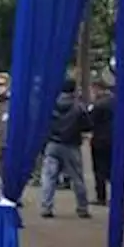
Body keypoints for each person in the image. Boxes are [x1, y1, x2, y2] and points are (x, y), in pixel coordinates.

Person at [40, 79, 92, 219]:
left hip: (52, 143)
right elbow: (87, 125)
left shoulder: (50, 105)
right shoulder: (78, 106)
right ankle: (82, 208)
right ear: (74, 90)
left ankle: (46, 207)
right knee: (77, 178)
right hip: (71, 145)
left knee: (49, 177)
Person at [89, 79, 115, 205]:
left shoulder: (98, 105)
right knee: (112, 168)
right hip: (114, 140)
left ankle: (101, 196)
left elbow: (90, 122)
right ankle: (117, 193)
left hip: (99, 140)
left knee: (99, 169)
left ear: (97, 88)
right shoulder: (116, 102)